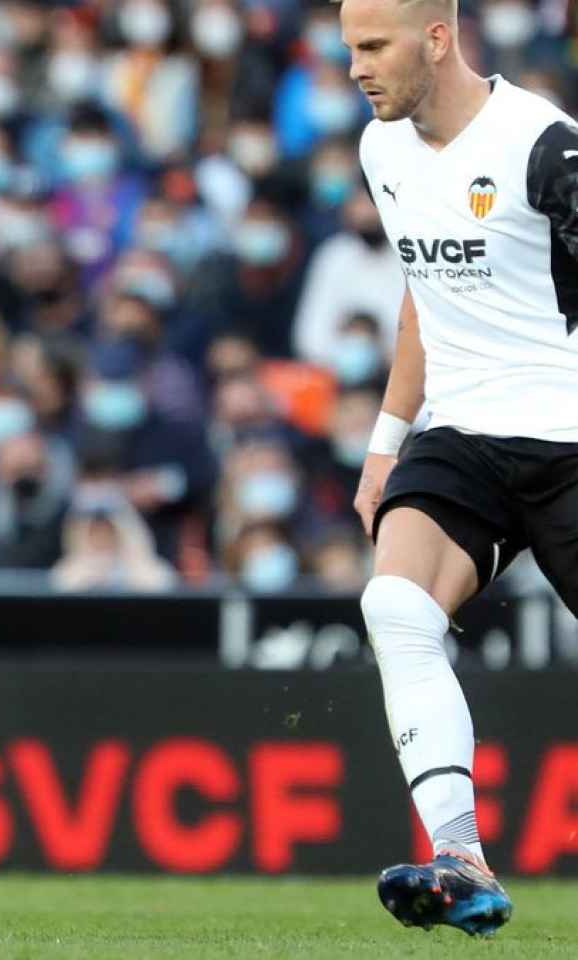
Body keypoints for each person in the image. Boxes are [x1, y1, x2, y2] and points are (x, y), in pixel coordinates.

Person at [343, 0, 578, 936]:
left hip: (565, 435)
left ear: (435, 39)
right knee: (394, 607)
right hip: (466, 437)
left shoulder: (544, 146)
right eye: (349, 47)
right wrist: (384, 445)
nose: (356, 68)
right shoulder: (382, 148)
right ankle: (460, 857)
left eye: (372, 46)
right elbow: (421, 298)